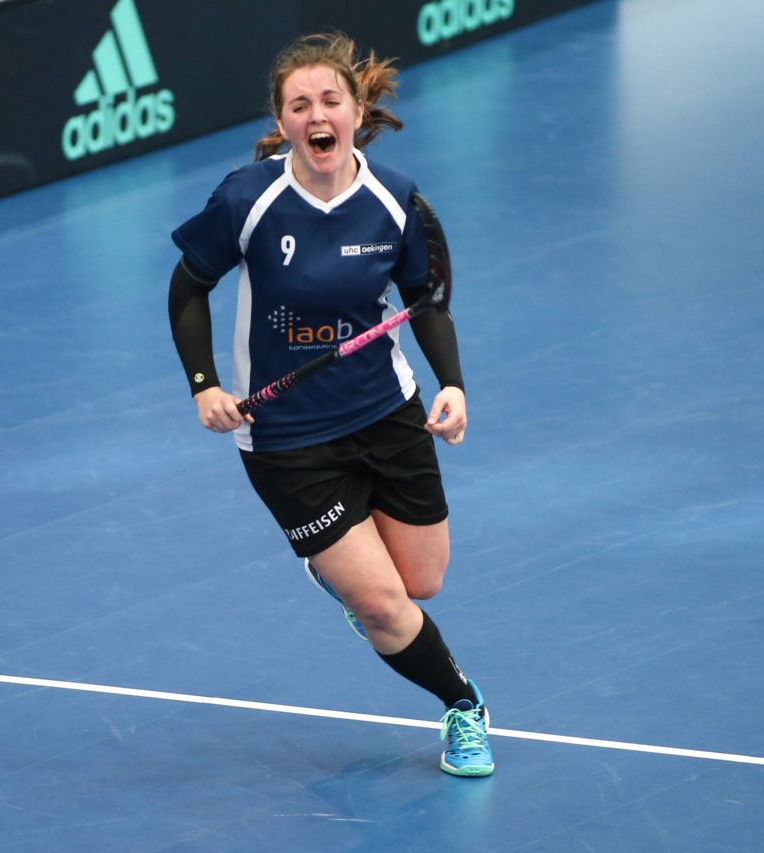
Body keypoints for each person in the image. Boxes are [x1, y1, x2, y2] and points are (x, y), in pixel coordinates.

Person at [167, 31, 493, 777]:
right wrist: (204, 384)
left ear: (354, 111)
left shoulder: (395, 199)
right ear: (282, 122)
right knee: (382, 603)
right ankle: (464, 706)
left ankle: (340, 572)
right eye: (298, 105)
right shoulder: (247, 199)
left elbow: (426, 299)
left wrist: (452, 383)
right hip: (285, 437)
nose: (316, 115)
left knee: (422, 583)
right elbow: (187, 289)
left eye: (329, 100)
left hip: (386, 412)